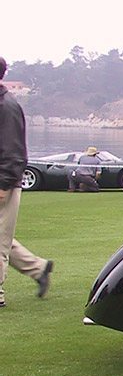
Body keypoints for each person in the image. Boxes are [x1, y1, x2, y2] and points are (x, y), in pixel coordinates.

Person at [0, 56, 53, 308]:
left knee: (0, 239)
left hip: (3, 182)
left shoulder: (7, 106)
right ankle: (38, 268)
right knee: (2, 237)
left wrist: (4, 184)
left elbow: (14, 151)